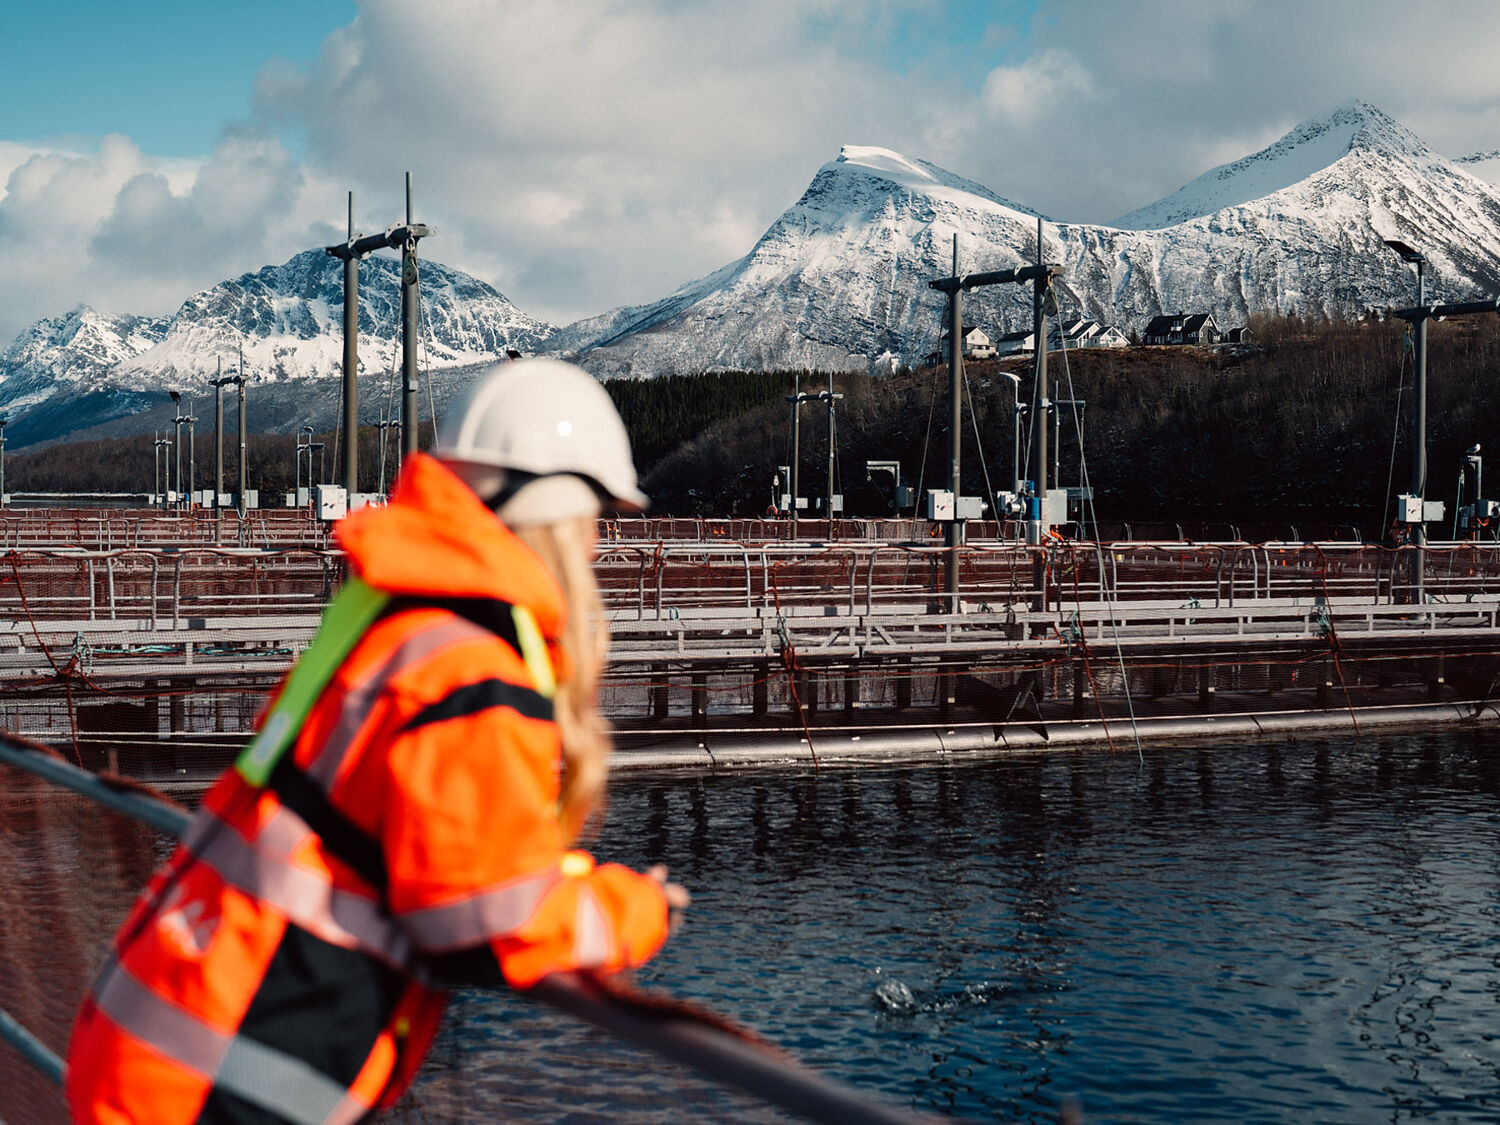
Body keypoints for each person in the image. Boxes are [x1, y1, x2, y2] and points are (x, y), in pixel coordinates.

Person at [66, 358, 687, 1124]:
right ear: (557, 516)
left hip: (161, 1033)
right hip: (221, 1083)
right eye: (600, 518)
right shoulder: (475, 671)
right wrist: (634, 909)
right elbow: (486, 926)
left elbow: (390, 829)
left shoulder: (396, 624)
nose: (598, 545)